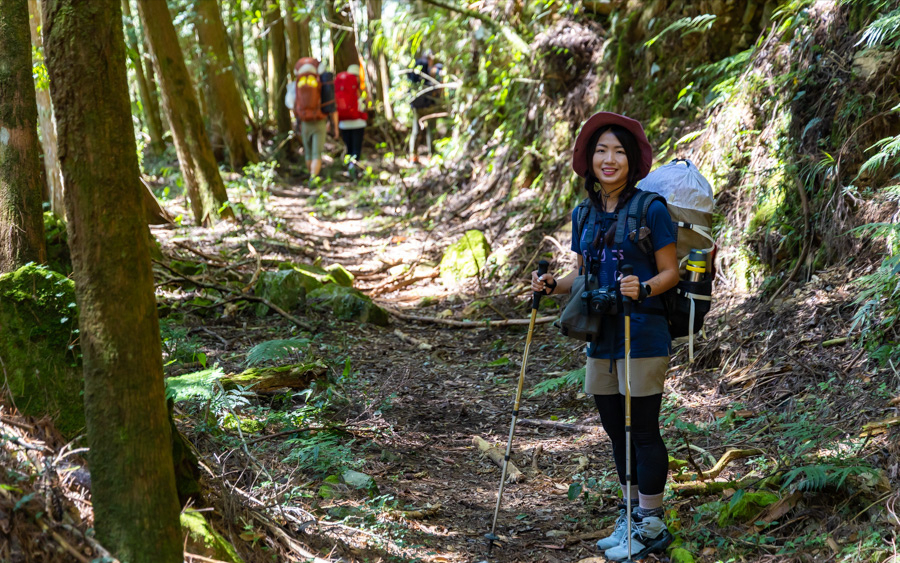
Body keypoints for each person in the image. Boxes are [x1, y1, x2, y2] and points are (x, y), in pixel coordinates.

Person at [530, 112, 679, 561]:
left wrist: (646, 286)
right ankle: (630, 514)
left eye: (618, 151)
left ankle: (651, 523)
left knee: (644, 429)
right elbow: (581, 276)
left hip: (643, 331)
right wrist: (551, 286)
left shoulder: (651, 208)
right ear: (589, 160)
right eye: (600, 151)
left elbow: (671, 270)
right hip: (602, 333)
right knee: (616, 430)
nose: (608, 159)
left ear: (632, 161)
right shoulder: (584, 214)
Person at [286, 57, 331, 185]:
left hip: (305, 122)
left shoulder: (297, 84)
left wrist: (298, 119)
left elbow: (290, 104)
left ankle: (311, 175)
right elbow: (329, 102)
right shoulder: (321, 82)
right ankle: (313, 178)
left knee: (309, 152)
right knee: (317, 152)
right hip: (320, 121)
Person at [335, 64, 368, 181]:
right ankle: (353, 169)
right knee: (356, 149)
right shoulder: (358, 90)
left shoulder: (341, 87)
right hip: (358, 123)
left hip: (343, 123)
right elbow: (363, 106)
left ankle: (350, 168)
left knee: (349, 148)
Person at [407, 50, 441, 164]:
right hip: (429, 104)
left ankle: (413, 157)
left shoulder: (415, 66)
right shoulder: (430, 68)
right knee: (431, 130)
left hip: (416, 104)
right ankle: (432, 155)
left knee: (415, 131)